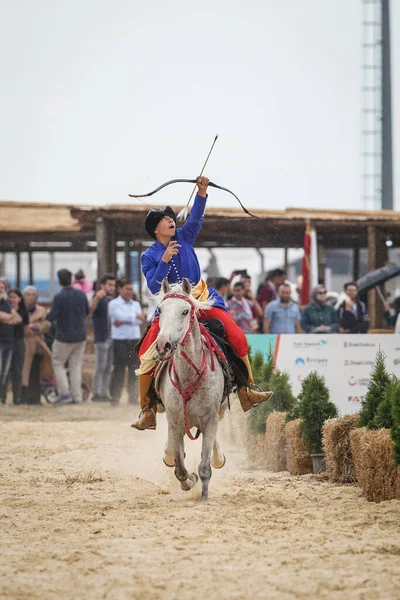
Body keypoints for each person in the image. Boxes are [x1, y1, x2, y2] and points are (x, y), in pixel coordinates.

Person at [131, 176, 272, 431]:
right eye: (165, 219)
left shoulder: (184, 236)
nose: (170, 220)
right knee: (146, 354)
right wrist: (163, 260)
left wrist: (202, 192)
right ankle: (148, 409)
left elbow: (195, 218)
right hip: (171, 306)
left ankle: (246, 390)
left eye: (170, 217)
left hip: (201, 298)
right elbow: (153, 287)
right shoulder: (149, 255)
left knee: (237, 337)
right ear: (156, 229)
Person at [46, 269, 89, 404]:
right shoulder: (82, 295)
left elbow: (51, 317)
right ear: (71, 279)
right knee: (75, 366)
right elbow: (87, 312)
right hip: (80, 336)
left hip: (63, 337)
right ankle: (76, 396)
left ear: (59, 281)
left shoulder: (59, 297)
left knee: (58, 363)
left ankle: (64, 394)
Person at [108, 279, 145, 405]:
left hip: (134, 340)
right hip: (120, 340)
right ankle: (115, 397)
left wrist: (125, 320)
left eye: (131, 289)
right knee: (119, 369)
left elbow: (141, 320)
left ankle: (133, 398)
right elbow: (118, 317)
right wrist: (134, 317)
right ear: (120, 289)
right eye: (127, 289)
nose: (130, 292)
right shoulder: (113, 303)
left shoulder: (136, 304)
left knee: (134, 369)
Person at [22, 285, 53, 402]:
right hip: (24, 345)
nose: (30, 297)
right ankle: (23, 397)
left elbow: (46, 324)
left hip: (37, 346)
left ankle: (35, 398)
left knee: (36, 371)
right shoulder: (20, 310)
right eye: (28, 294)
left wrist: (35, 326)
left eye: (33, 294)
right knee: (25, 372)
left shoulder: (41, 310)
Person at [90, 274, 116, 401]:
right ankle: (96, 393)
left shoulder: (111, 300)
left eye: (113, 285)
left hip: (111, 336)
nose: (112, 288)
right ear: (102, 286)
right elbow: (90, 310)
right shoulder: (99, 299)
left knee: (107, 367)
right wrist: (96, 298)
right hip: (101, 336)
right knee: (100, 366)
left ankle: (104, 392)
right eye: (109, 285)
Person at [0, 280, 22, 404]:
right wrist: (8, 317)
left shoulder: (6, 304)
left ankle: (2, 398)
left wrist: (7, 320)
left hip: (8, 341)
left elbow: (18, 318)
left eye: (2, 287)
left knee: (5, 372)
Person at [7, 289, 29, 404]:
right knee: (5, 370)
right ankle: (3, 397)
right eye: (10, 297)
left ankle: (17, 397)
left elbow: (25, 328)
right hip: (5, 341)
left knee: (17, 370)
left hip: (18, 341)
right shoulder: (4, 310)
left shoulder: (23, 312)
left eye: (14, 297)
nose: (12, 299)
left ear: (20, 299)